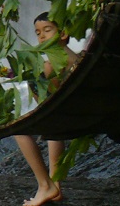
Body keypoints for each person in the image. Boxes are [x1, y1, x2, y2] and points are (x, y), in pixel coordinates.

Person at [14, 12, 81, 206]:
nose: (41, 37)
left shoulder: (52, 65)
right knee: (53, 126)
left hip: (64, 118)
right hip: (76, 114)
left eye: (47, 30)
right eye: (37, 33)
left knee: (18, 128)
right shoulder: (77, 57)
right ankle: (56, 184)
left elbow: (42, 100)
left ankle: (45, 185)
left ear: (63, 33)